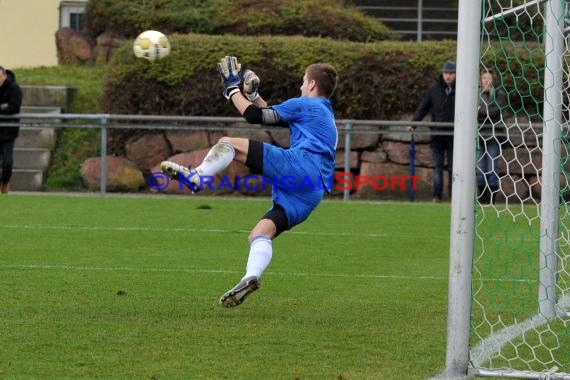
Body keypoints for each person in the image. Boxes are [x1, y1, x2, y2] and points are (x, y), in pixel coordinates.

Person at [161, 56, 338, 308]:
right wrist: (253, 94)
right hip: (312, 191)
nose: (300, 88)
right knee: (259, 234)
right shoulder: (322, 113)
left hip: (301, 168)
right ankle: (250, 277)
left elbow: (254, 116)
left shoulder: (307, 105)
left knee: (228, 142)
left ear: (311, 84)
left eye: (302, 83)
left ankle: (197, 177)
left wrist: (231, 88)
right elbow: (271, 114)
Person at [409, 60, 456, 203]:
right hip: (437, 133)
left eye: (451, 73)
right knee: (438, 167)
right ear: (442, 74)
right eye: (446, 73)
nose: (448, 76)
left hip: (455, 135)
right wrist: (414, 123)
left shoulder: (462, 89)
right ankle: (437, 196)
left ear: (455, 75)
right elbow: (423, 107)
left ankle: (455, 197)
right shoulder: (434, 89)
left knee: (454, 168)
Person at [477, 70, 506, 203]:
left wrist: (482, 112)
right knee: (481, 168)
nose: (486, 81)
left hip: (494, 135)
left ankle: (491, 200)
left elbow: (496, 111)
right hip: (480, 134)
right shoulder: (476, 95)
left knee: (492, 168)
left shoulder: (499, 94)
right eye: (483, 78)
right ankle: (482, 199)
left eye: (488, 78)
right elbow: (476, 111)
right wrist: (486, 112)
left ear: (492, 80)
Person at [0, 66, 22, 194]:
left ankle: (5, 182)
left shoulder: (14, 89)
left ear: (4, 76)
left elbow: (14, 107)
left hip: (9, 132)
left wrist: (4, 108)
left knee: (7, 163)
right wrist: (3, 107)